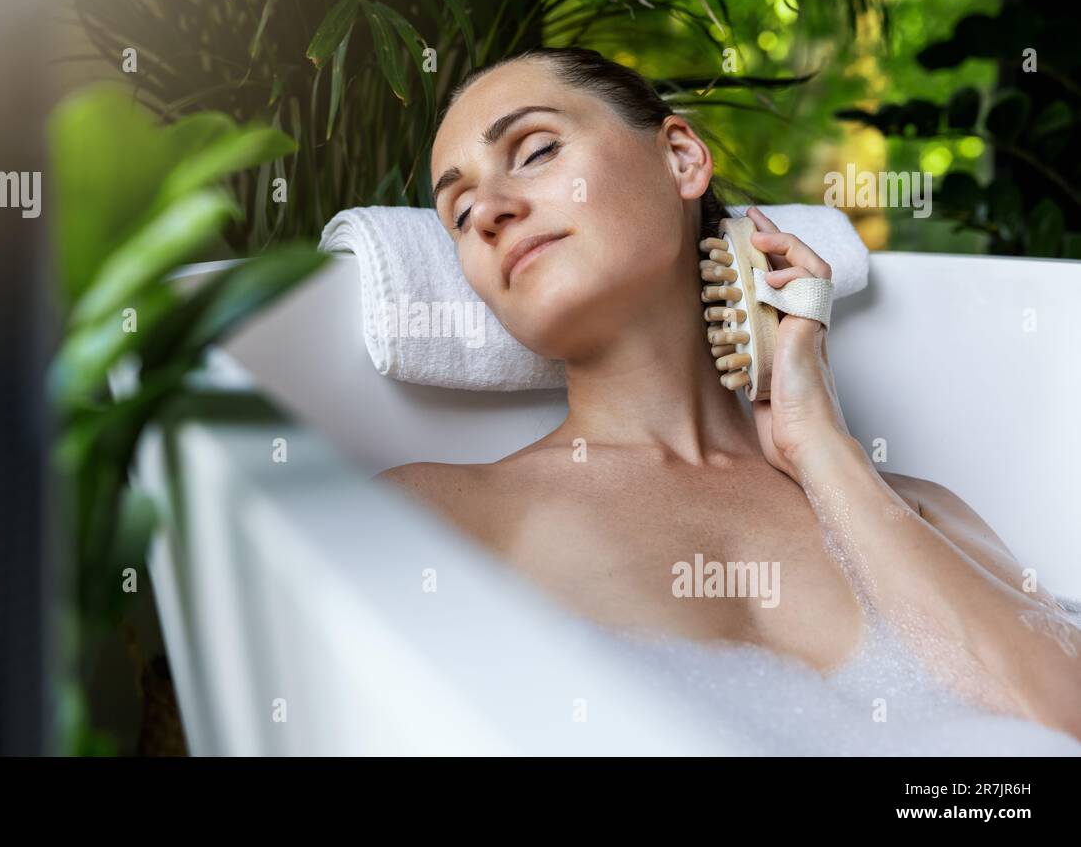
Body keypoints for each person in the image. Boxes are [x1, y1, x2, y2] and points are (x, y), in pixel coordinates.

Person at [377, 46, 1081, 742]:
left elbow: (1063, 719)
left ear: (681, 157)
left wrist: (823, 451)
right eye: (461, 212)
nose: (492, 211)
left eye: (535, 151)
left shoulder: (913, 508)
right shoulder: (428, 514)